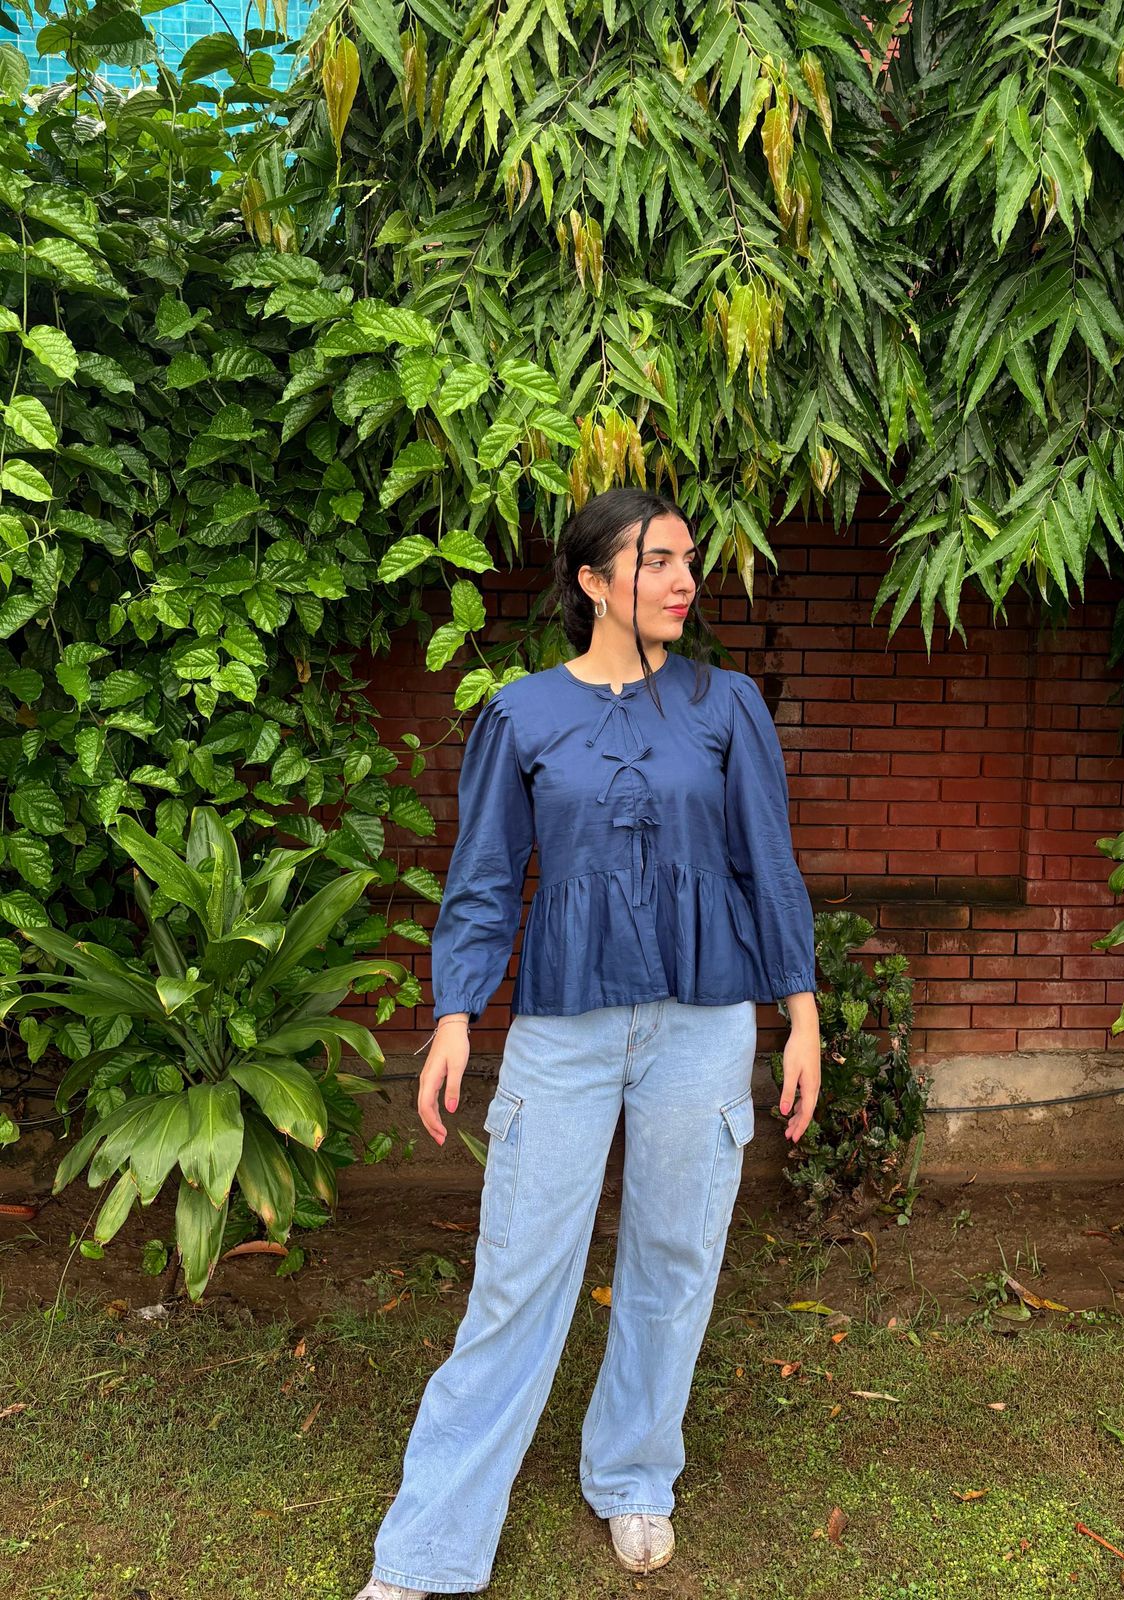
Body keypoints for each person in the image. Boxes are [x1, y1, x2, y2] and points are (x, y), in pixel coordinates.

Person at [355, 486, 821, 1598]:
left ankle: (632, 1473)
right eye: (656, 560)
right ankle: (427, 1548)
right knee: (517, 1278)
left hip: (701, 1026)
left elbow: (767, 863)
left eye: (687, 560)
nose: (680, 580)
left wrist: (797, 1010)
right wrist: (454, 1016)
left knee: (672, 1259)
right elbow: (480, 880)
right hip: (562, 1029)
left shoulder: (727, 706)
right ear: (592, 580)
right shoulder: (519, 715)